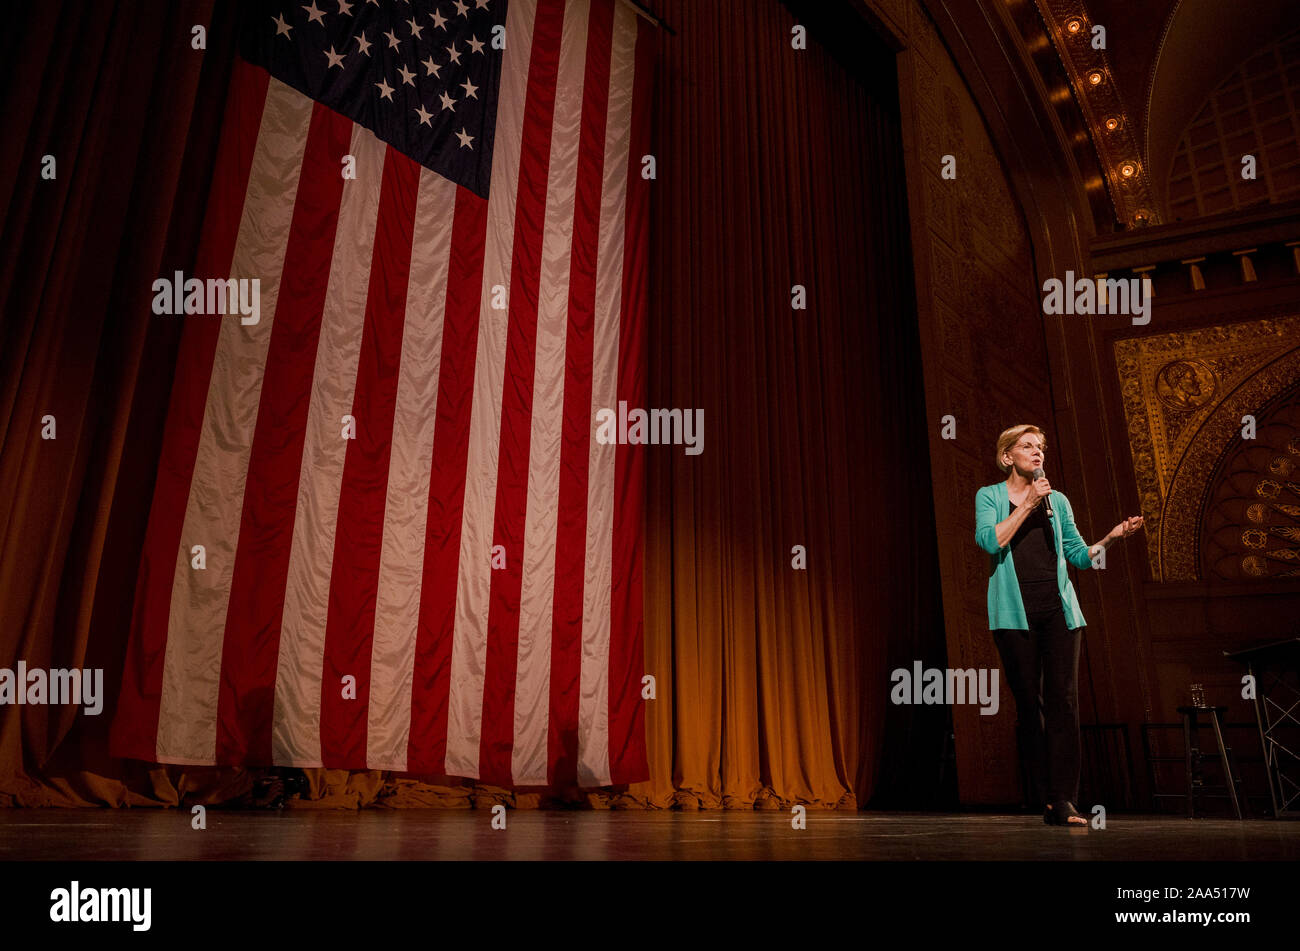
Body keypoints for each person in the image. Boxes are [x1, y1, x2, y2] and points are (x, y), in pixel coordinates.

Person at [974, 425, 1143, 827]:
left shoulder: (1058, 501)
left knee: (1064, 704)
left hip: (1060, 614)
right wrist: (1028, 504)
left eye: (1042, 448)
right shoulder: (991, 496)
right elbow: (989, 542)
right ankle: (1045, 797)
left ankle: (1065, 800)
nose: (1038, 453)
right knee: (1030, 709)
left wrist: (1113, 537)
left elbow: (1081, 557)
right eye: (1028, 446)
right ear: (1007, 456)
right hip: (1014, 616)